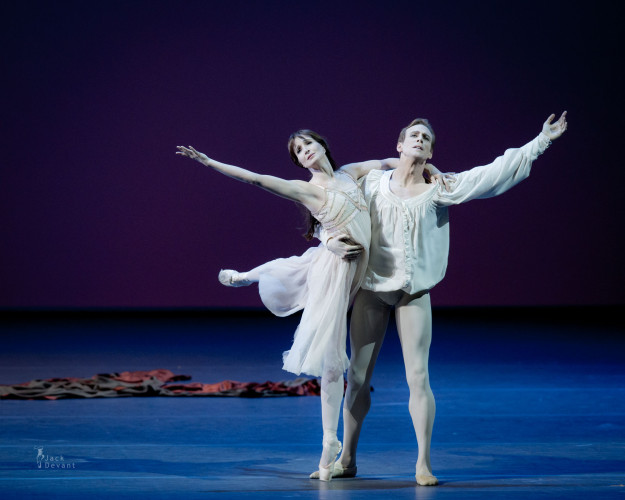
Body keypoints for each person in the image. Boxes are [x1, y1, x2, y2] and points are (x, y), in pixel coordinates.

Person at [311, 112, 568, 485]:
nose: (419, 140)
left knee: (418, 376)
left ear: (430, 153)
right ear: (399, 145)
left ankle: (423, 463)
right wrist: (329, 240)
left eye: (426, 139)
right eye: (413, 135)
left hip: (413, 294)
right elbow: (329, 209)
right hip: (372, 291)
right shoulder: (372, 185)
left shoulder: (440, 187)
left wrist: (541, 141)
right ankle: (347, 458)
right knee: (359, 377)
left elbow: (491, 173)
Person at [176, 132, 446, 481]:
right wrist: (208, 162)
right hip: (335, 274)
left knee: (296, 264)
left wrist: (432, 169)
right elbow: (256, 179)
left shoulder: (351, 172)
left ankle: (247, 276)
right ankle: (329, 442)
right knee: (332, 359)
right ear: (300, 162)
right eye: (299, 151)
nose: (306, 152)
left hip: (360, 272)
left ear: (322, 146)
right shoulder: (306, 190)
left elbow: (392, 162)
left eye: (308, 145)